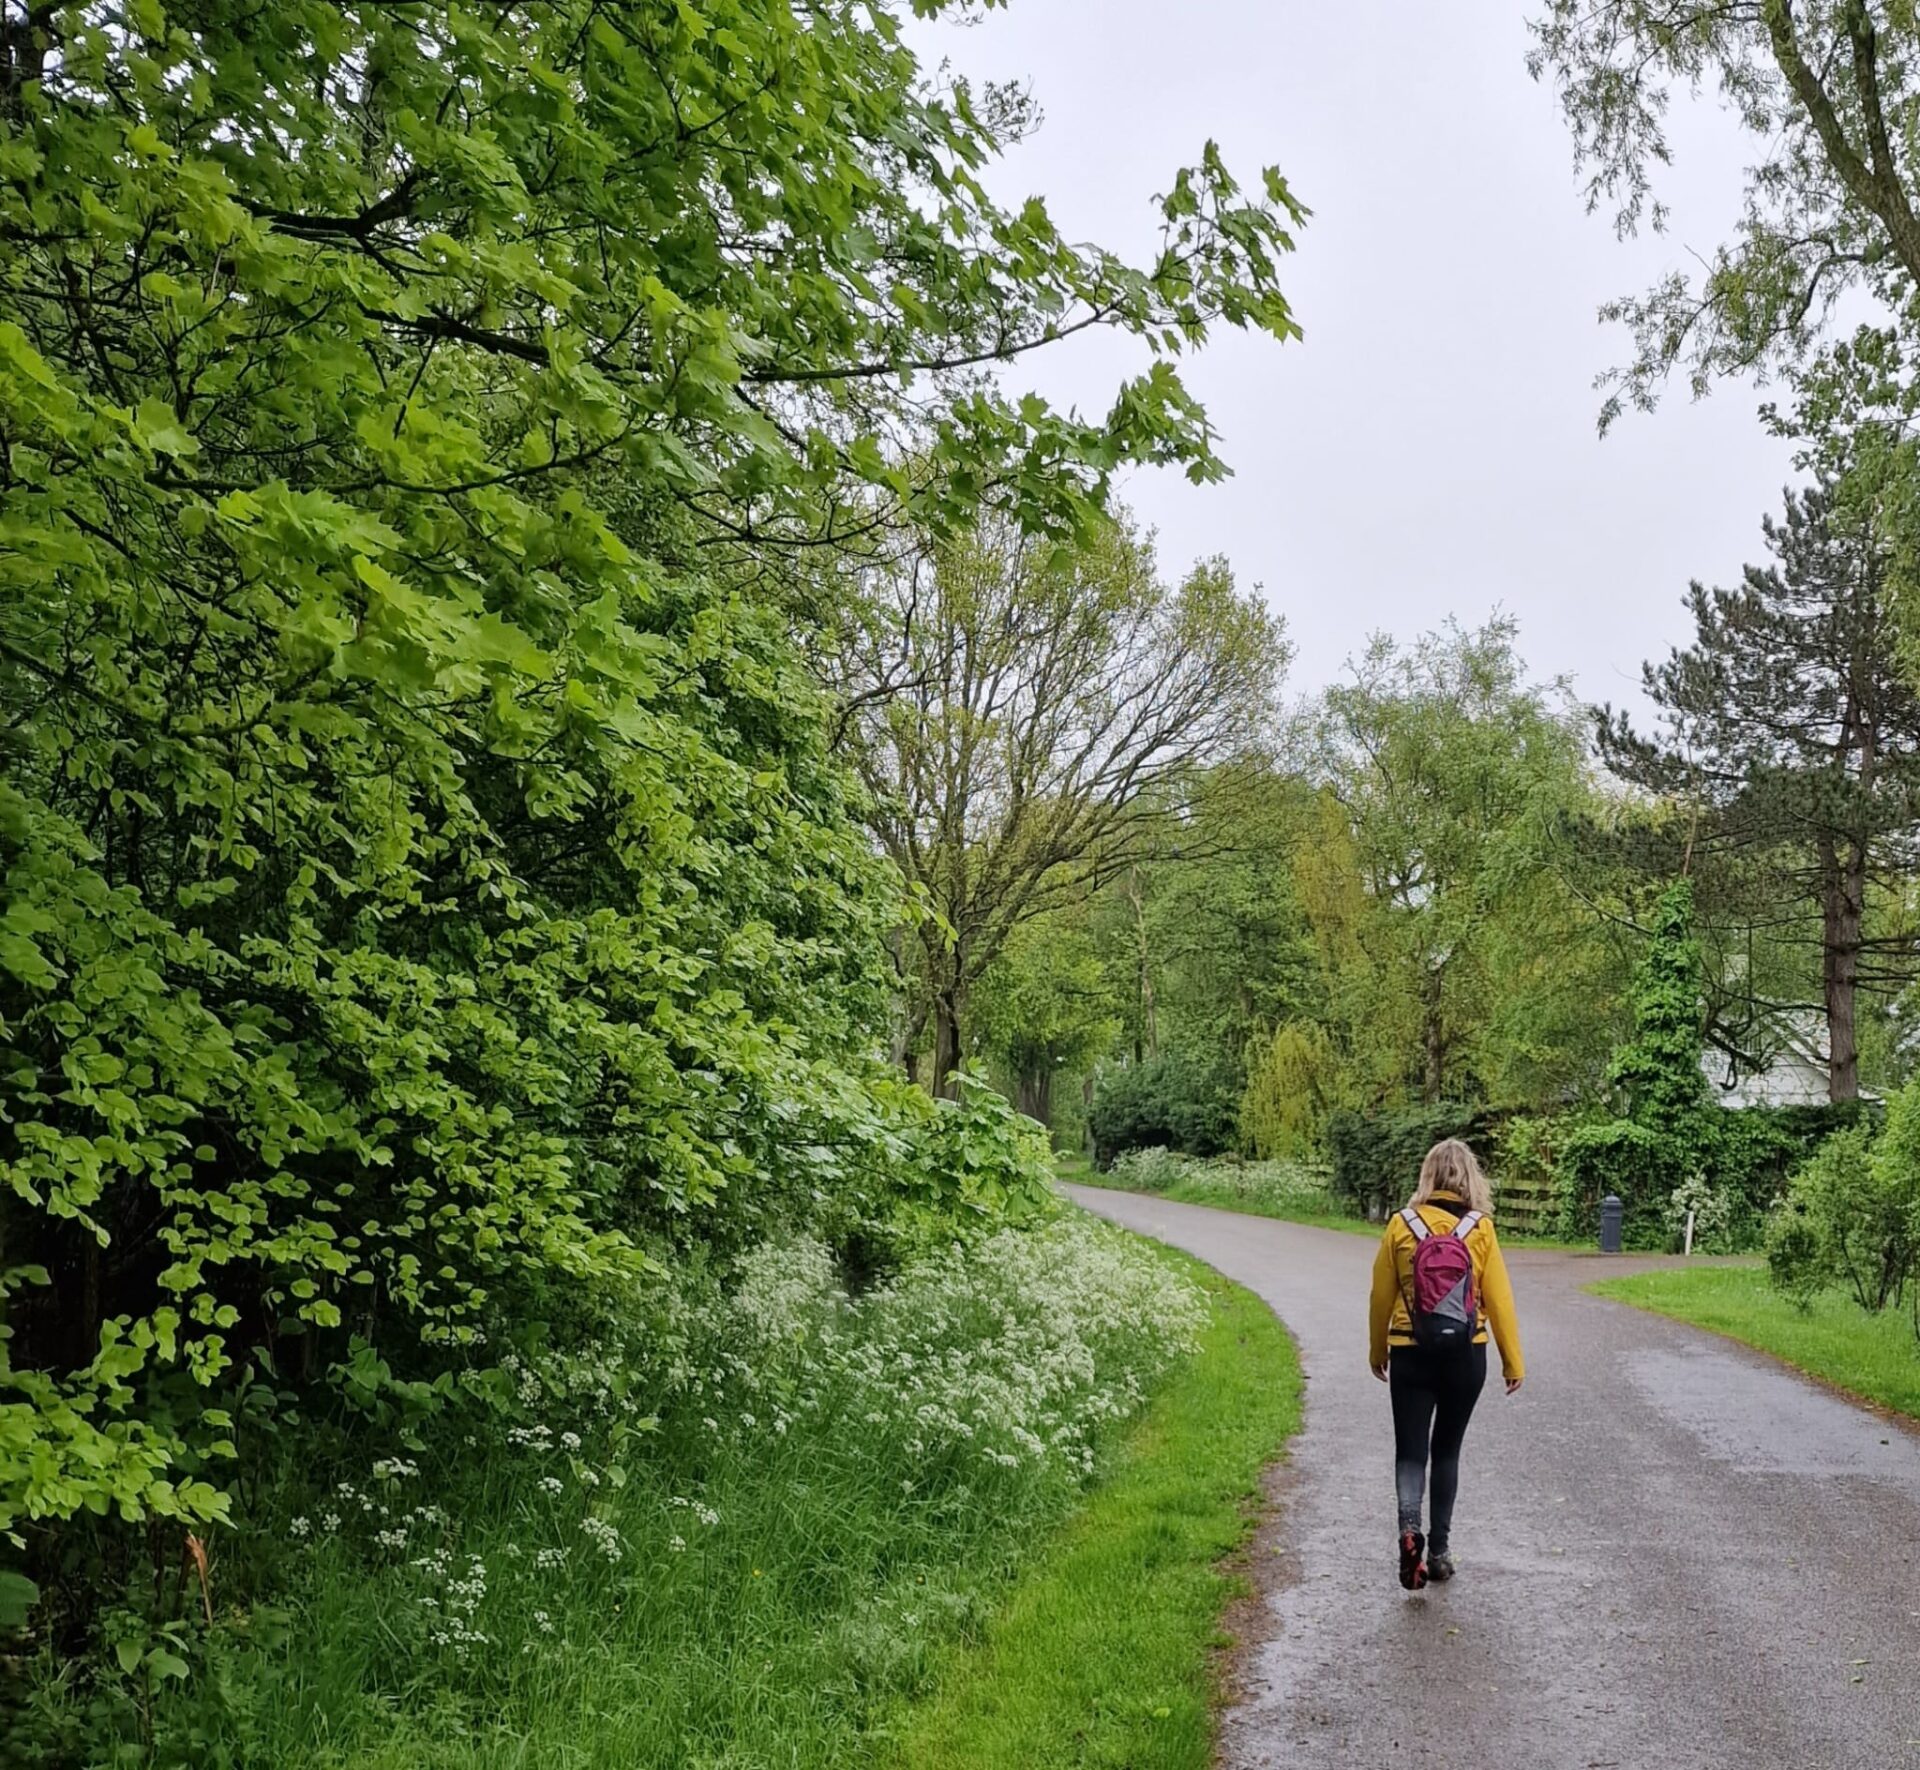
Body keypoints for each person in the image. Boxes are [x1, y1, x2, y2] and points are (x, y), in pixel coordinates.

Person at [1367, 1138, 1524, 1590]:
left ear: (1428, 1176)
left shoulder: (1401, 1224)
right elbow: (1500, 1299)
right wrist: (1512, 1360)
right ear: (1469, 1179)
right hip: (1466, 1354)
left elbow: (1381, 1296)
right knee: (1447, 1450)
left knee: (1411, 1451)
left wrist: (1378, 1350)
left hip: (1410, 1351)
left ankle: (1408, 1530)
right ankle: (1438, 1552)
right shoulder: (1481, 1229)